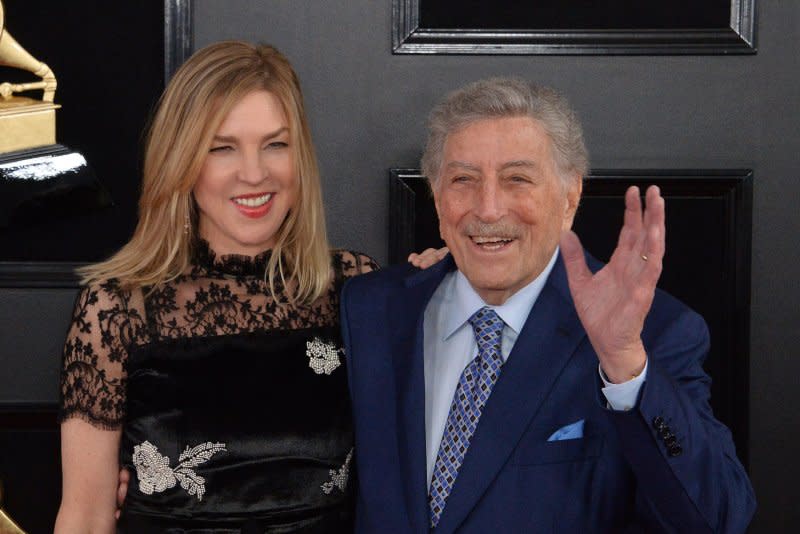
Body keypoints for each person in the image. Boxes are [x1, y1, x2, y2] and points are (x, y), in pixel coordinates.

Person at [54, 40, 443, 533]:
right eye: (222, 147)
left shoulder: (355, 288)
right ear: (183, 160)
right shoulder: (115, 308)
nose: (255, 173)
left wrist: (450, 285)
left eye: (276, 144)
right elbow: (86, 518)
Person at [341, 77, 756, 533]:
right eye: (464, 180)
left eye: (518, 179)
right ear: (438, 199)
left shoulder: (655, 333)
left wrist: (625, 367)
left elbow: (718, 519)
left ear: (570, 198)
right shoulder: (371, 310)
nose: (489, 208)